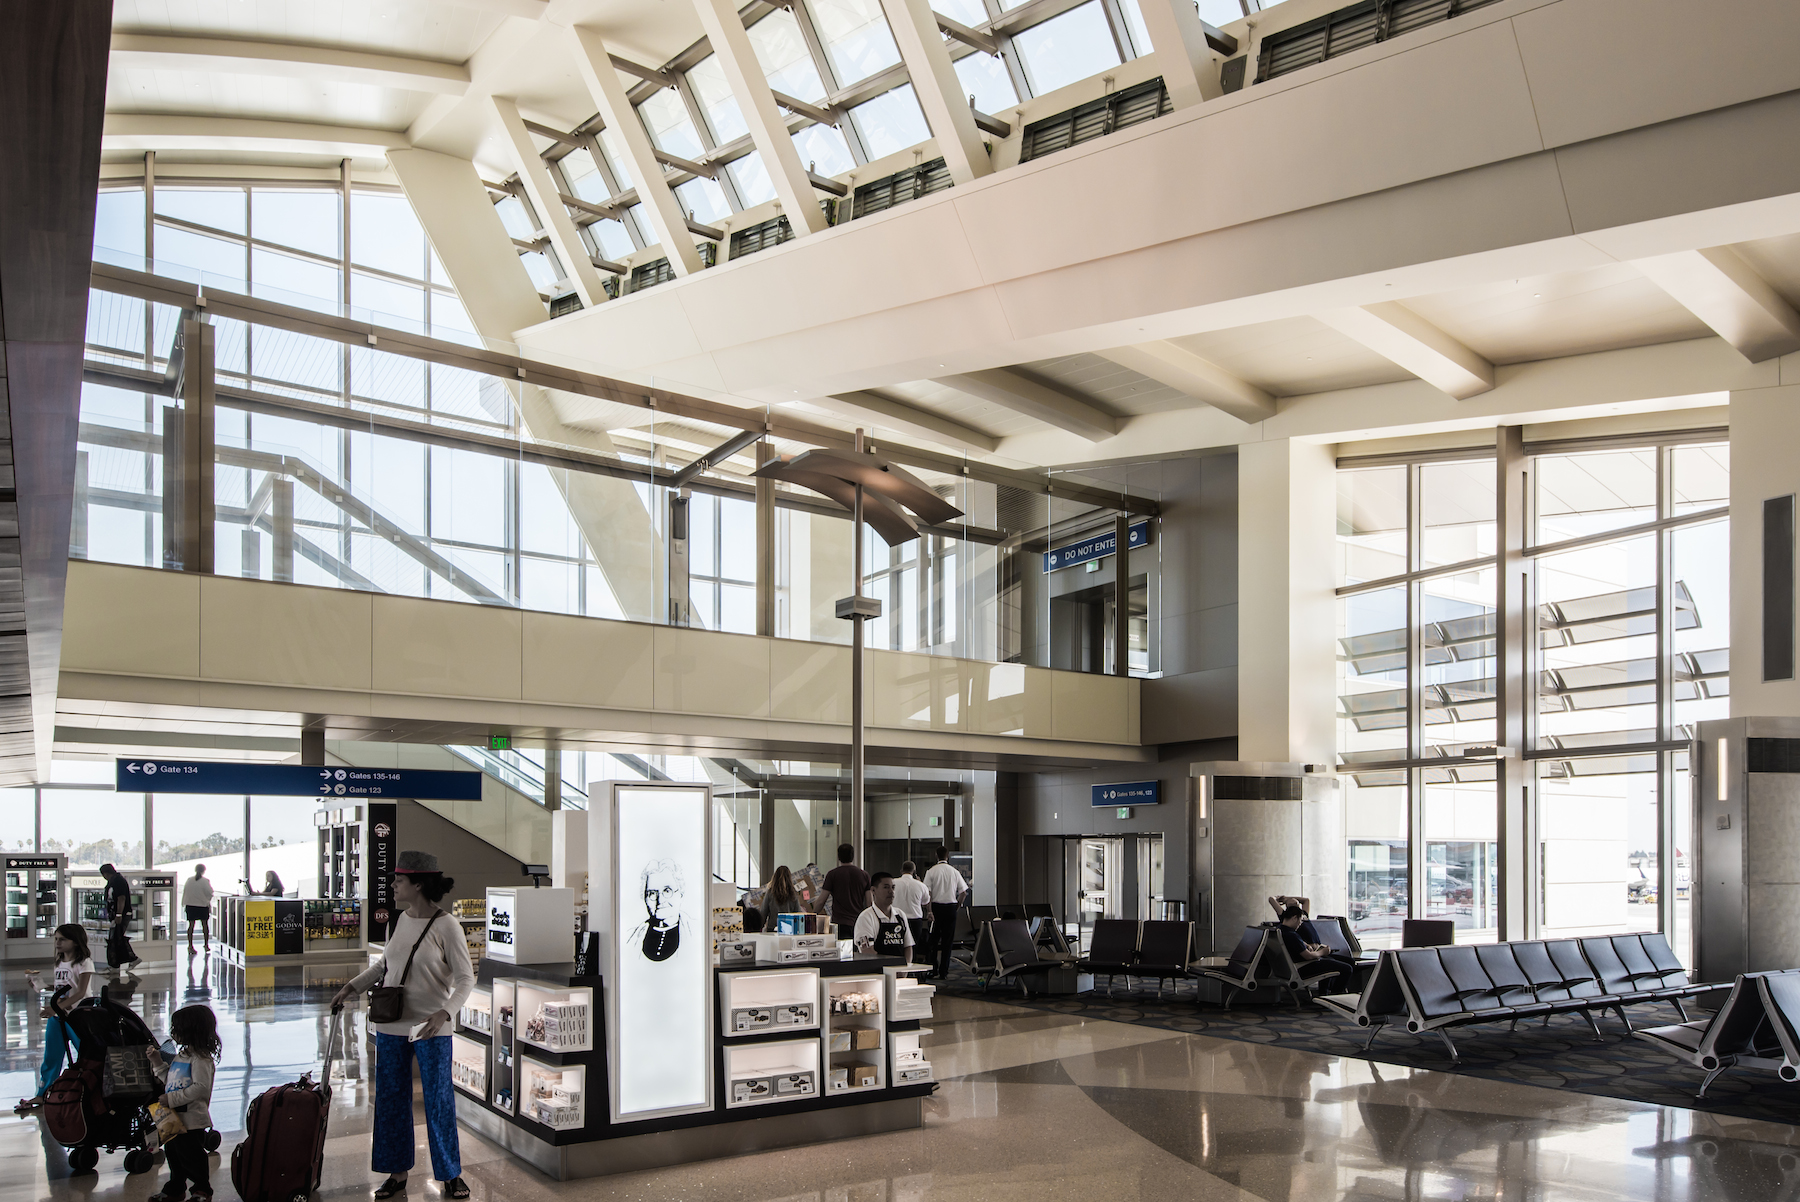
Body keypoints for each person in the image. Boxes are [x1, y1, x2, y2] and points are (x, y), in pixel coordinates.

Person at [333, 851, 474, 1201]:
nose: (393, 885)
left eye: (399, 880)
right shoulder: (399, 920)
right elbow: (385, 965)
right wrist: (352, 987)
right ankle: (396, 1173)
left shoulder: (447, 925)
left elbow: (466, 978)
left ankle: (450, 1174)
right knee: (391, 1100)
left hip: (431, 1028)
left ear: (418, 884)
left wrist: (444, 1013)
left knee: (438, 1100)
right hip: (392, 1026)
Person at [15, 924, 95, 1112]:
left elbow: (81, 992)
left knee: (87, 1054)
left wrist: (55, 1008)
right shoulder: (59, 962)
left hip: (78, 1016)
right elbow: (63, 988)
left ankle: (92, 1089)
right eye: (56, 939)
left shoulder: (84, 963)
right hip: (59, 1016)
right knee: (51, 1055)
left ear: (75, 942)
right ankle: (42, 1093)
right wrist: (43, 985)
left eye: (62, 939)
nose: (57, 943)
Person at [146, 1003, 219, 1202]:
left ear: (191, 1030)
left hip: (191, 1120)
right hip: (172, 1118)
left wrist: (171, 1099)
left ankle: (201, 1190)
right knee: (175, 1157)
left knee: (192, 1157)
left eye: (177, 1028)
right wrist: (157, 1063)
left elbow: (200, 1088)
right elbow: (170, 1081)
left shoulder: (201, 1059)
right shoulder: (182, 1056)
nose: (173, 1032)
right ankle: (175, 1189)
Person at [1278, 904, 1355, 993]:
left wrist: (1306, 945)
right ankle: (1335, 995)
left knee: (1341, 960)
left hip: (1294, 966)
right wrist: (1322, 952)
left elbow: (1296, 944)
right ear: (1295, 918)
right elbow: (1308, 956)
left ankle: (1324, 992)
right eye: (1300, 920)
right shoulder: (1291, 935)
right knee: (1347, 968)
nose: (1300, 923)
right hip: (1304, 967)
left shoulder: (1280, 930)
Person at [923, 845, 967, 981]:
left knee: (933, 941)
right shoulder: (954, 871)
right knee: (948, 941)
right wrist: (958, 905)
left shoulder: (931, 872)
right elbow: (964, 892)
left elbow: (927, 893)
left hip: (936, 907)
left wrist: (929, 911)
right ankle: (944, 971)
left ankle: (933, 969)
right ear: (947, 856)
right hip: (950, 908)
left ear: (936, 856)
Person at [853, 873, 914, 960]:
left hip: (900, 970)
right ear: (873, 890)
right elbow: (867, 951)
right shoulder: (866, 917)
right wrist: (887, 971)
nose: (891, 891)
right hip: (877, 971)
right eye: (886, 887)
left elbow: (908, 947)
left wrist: (905, 970)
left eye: (893, 887)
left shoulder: (900, 915)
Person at [817, 843, 870, 941]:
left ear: (838, 857)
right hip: (859, 923)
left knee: (843, 952)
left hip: (840, 923)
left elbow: (821, 901)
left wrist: (812, 915)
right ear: (853, 856)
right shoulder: (864, 875)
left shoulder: (832, 875)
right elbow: (869, 903)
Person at [99, 863, 139, 973]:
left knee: (115, 938)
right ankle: (123, 962)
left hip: (122, 915)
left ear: (106, 873)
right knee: (117, 938)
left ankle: (123, 962)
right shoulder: (113, 881)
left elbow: (121, 898)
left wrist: (119, 914)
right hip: (115, 915)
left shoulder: (118, 881)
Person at [892, 861, 930, 953]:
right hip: (915, 920)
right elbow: (926, 902)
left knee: (897, 947)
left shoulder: (893, 883)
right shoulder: (921, 885)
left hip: (897, 919)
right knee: (913, 948)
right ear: (914, 871)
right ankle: (911, 965)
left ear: (901, 871)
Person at [183, 865, 215, 951]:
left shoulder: (189, 880)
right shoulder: (205, 881)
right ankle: (206, 945)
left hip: (190, 905)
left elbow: (185, 891)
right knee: (204, 925)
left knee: (191, 926)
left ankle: (190, 946)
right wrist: (207, 900)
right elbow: (210, 893)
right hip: (202, 906)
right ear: (204, 871)